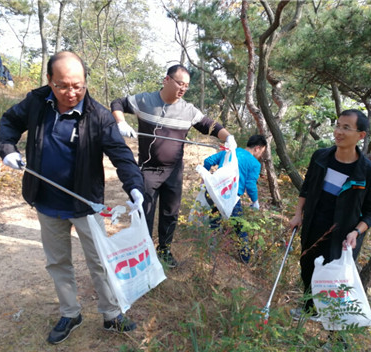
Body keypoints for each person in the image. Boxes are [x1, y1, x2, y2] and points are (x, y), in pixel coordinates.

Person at [0, 51, 145, 345]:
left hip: (85, 203)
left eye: (78, 85)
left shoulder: (99, 116)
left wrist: (135, 186)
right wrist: (8, 149)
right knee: (58, 262)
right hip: (46, 201)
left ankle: (112, 314)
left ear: (86, 82)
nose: (71, 92)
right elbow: (9, 123)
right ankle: (70, 312)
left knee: (100, 261)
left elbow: (121, 155)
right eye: (63, 85)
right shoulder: (37, 102)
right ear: (50, 81)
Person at [110, 64, 236, 268]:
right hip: (148, 170)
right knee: (145, 212)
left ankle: (164, 251)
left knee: (170, 213)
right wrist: (121, 122)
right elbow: (117, 102)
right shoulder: (145, 101)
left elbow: (211, 126)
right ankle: (143, 252)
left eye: (186, 85)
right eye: (180, 83)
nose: (183, 88)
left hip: (174, 172)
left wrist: (229, 137)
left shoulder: (188, 110)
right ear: (166, 80)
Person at [287, 109, 371, 320]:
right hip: (313, 225)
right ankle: (310, 309)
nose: (339, 132)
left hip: (343, 235)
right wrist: (298, 215)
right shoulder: (321, 157)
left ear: (361, 135)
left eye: (346, 128)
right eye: (338, 126)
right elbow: (306, 188)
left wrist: (356, 232)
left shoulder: (368, 172)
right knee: (306, 266)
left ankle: (336, 338)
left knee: (334, 281)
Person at [203, 134, 267, 263]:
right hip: (230, 198)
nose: (261, 156)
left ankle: (209, 249)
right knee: (240, 226)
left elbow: (208, 161)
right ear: (257, 148)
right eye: (262, 152)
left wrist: (205, 178)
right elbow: (250, 185)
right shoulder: (254, 163)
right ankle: (245, 258)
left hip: (215, 191)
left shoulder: (229, 151)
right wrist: (255, 201)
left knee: (215, 219)